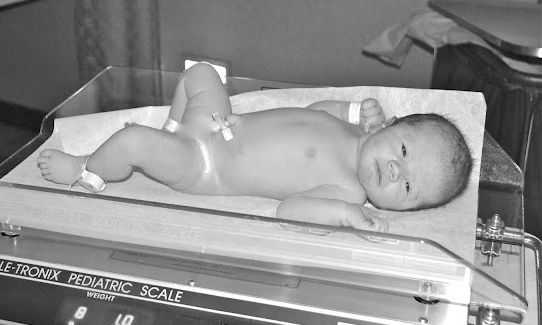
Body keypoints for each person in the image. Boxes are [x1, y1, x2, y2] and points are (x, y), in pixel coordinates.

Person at [37, 63, 472, 232]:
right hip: (216, 124)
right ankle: (169, 126)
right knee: (201, 74)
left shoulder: (348, 191)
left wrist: (345, 216)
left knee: (132, 141)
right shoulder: (348, 128)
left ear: (402, 209)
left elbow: (290, 210)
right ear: (391, 123)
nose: (395, 171)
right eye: (404, 151)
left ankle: (86, 168)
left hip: (204, 165)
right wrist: (353, 109)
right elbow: (310, 113)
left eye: (408, 186)